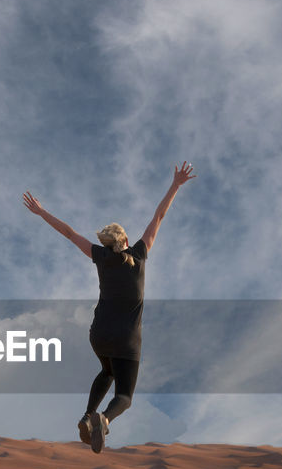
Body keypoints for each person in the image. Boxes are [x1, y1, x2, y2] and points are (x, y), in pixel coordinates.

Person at [22, 162, 196, 453]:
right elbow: (159, 215)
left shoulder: (100, 256)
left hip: (99, 335)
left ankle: (87, 415)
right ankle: (103, 419)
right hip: (127, 340)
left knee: (107, 370)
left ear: (108, 241)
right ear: (126, 240)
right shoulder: (139, 254)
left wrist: (41, 212)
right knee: (125, 396)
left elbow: (68, 232)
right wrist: (176, 185)